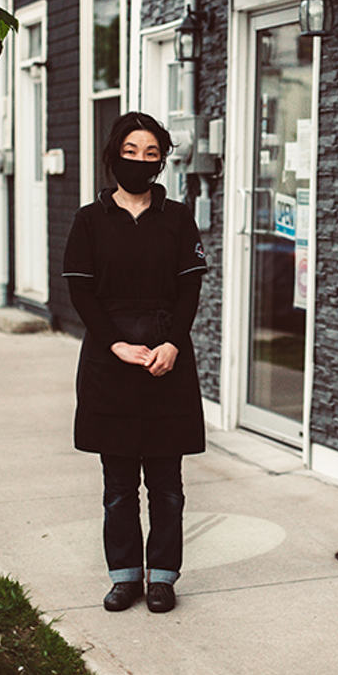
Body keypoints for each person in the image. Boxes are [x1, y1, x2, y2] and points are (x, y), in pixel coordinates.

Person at [63, 111, 208, 614]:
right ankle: (124, 576)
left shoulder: (178, 218)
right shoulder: (89, 220)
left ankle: (163, 577)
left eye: (151, 153)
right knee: (119, 485)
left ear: (162, 161)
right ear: (113, 156)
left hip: (167, 361)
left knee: (166, 486)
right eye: (131, 152)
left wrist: (174, 343)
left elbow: (190, 288)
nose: (141, 162)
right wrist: (114, 344)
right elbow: (81, 292)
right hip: (111, 364)